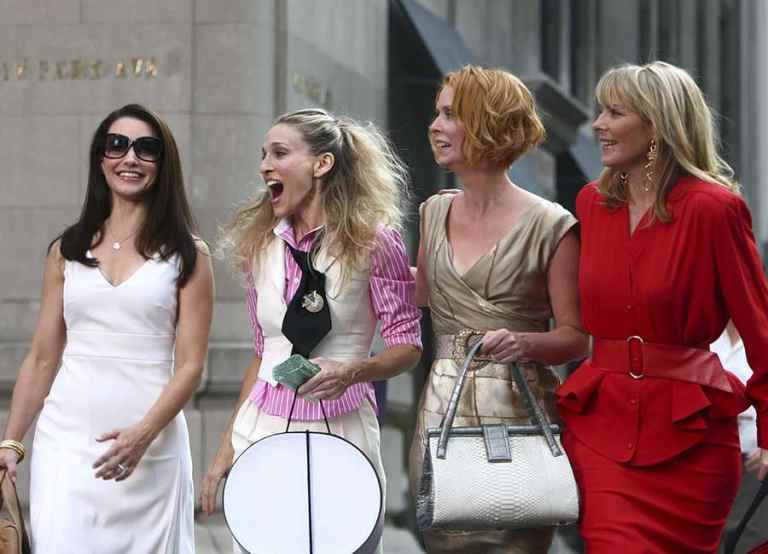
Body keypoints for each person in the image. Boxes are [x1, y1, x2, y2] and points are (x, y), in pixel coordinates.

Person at [556, 61, 768, 553]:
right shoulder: (591, 204)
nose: (598, 124)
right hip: (603, 435)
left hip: (693, 443)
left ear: (657, 126)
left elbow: (760, 330)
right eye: (600, 111)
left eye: (615, 113)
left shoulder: (715, 210)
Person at [200, 108, 422, 553]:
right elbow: (262, 352)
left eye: (280, 153)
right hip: (261, 429)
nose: (265, 166)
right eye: (263, 155)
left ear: (322, 164)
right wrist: (225, 449)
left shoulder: (375, 241)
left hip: (343, 428)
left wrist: (351, 372)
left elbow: (408, 346)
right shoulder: (258, 246)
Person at [0, 104, 213, 553]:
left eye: (146, 148)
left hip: (151, 452)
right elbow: (42, 358)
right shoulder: (66, 250)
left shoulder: (189, 254)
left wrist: (142, 435)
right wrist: (11, 442)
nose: (130, 158)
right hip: (65, 445)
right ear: (101, 158)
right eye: (117, 145)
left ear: (163, 164)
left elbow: (192, 366)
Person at [409, 65, 588, 553]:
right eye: (437, 113)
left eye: (450, 114)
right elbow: (419, 294)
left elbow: (576, 338)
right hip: (441, 410)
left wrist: (523, 342)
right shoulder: (433, 211)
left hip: (520, 412)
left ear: (487, 122)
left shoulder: (552, 225)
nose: (435, 125)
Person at [712, 322, 767, 552]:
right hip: (706, 457)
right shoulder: (706, 333)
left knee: (746, 538)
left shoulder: (761, 332)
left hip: (754, 465)